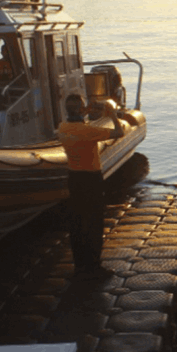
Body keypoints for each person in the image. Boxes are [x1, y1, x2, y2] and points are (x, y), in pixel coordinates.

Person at [58, 93, 125, 275]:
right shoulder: (88, 132)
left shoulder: (63, 127)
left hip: (73, 178)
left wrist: (87, 109)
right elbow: (119, 132)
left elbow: (80, 122)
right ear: (81, 109)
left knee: (78, 223)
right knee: (94, 222)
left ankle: (80, 265)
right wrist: (112, 114)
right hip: (90, 179)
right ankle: (94, 266)